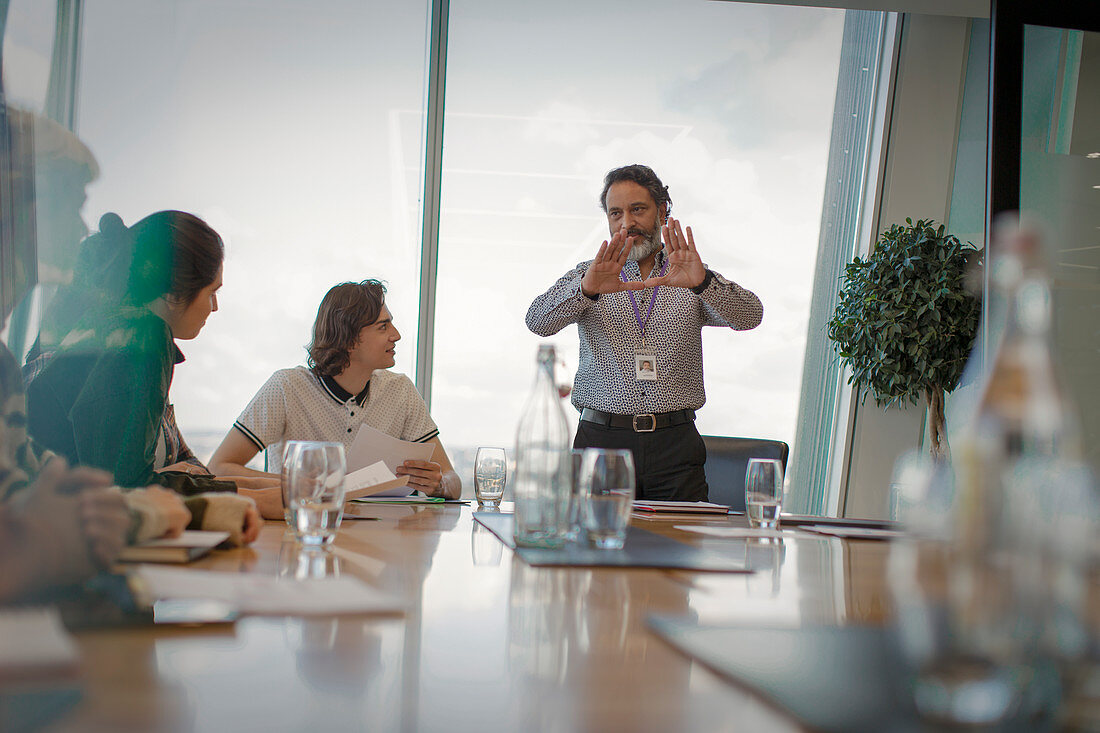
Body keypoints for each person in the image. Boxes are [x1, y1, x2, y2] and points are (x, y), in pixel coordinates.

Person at [526, 164, 762, 502]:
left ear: (662, 211)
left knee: (677, 551)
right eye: (616, 213)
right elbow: (538, 321)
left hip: (675, 446)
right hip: (601, 443)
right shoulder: (589, 275)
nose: (626, 223)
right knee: (596, 548)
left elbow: (750, 315)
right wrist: (586, 290)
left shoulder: (690, 272)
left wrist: (703, 284)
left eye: (638, 209)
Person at [25, 210, 261, 542]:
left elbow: (187, 464)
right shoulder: (141, 339)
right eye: (211, 291)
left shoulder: (100, 334)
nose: (215, 306)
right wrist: (268, 500)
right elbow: (127, 486)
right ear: (171, 293)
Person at [209, 280, 462, 514]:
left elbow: (452, 480)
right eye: (383, 326)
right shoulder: (286, 387)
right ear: (350, 340)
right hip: (300, 535)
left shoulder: (401, 391)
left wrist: (439, 485)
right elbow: (218, 468)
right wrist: (303, 485)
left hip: (380, 544)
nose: (396, 335)